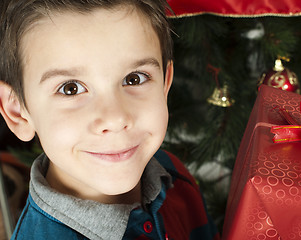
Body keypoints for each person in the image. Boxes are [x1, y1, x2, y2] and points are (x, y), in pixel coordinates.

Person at [0, 0, 220, 239]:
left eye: (134, 78)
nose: (115, 119)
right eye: (70, 88)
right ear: (18, 112)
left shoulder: (172, 172)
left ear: (165, 84)